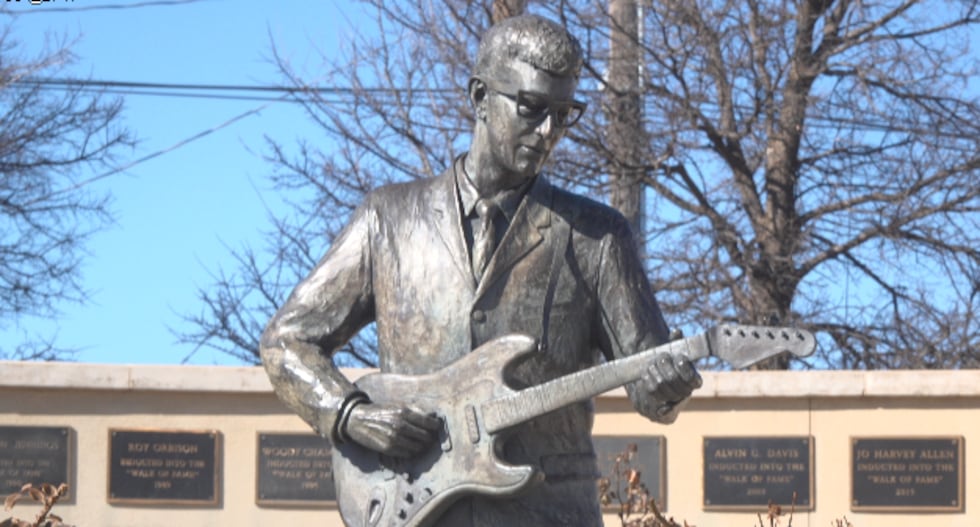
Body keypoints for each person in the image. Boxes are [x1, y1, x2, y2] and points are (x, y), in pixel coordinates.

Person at [260, 13, 702, 526]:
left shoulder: (599, 235)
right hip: (415, 509)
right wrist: (348, 414)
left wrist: (667, 386)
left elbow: (649, 387)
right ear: (479, 98)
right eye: (532, 108)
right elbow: (287, 341)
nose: (548, 132)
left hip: (550, 514)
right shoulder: (388, 218)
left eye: (564, 114)